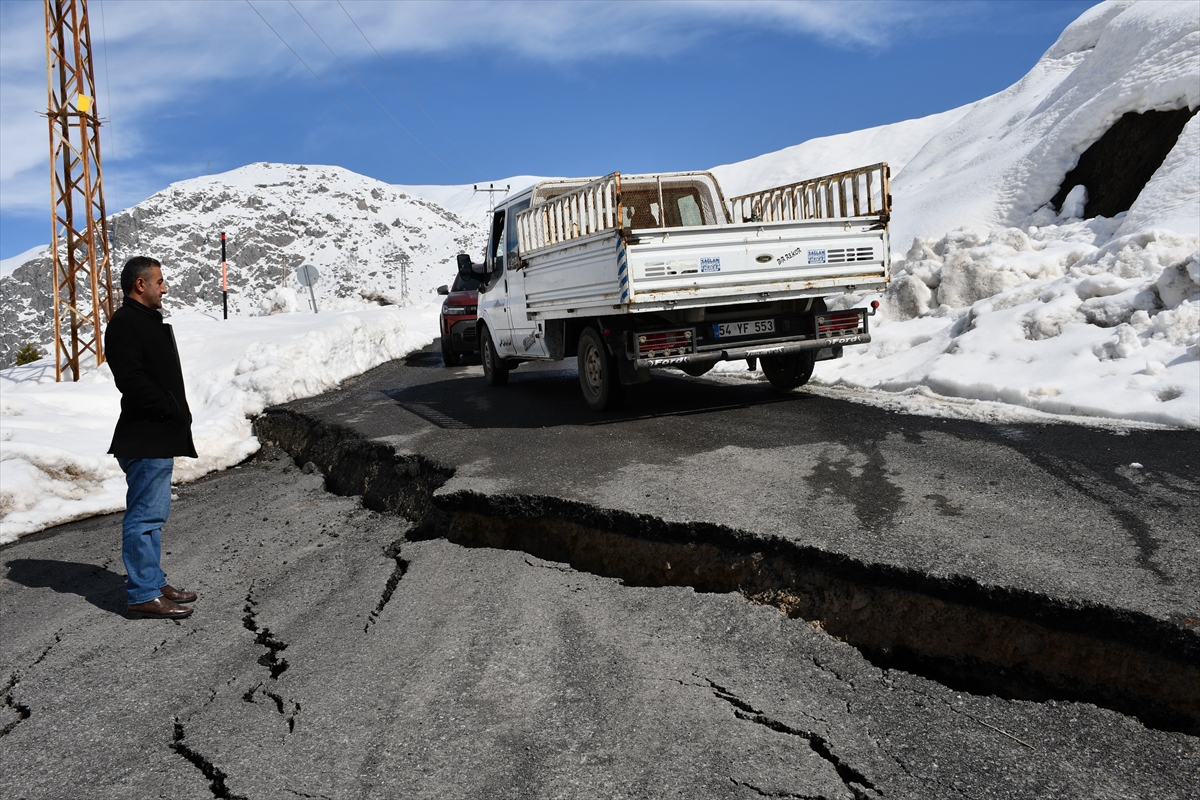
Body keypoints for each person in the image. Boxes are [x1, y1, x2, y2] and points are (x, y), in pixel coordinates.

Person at [104, 256, 199, 620]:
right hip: (145, 437)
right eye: (159, 281)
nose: (165, 288)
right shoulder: (125, 322)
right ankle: (143, 594)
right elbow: (129, 379)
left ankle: (153, 582)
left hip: (155, 435)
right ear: (140, 285)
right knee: (144, 518)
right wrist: (168, 407)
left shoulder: (143, 320)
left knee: (153, 517)